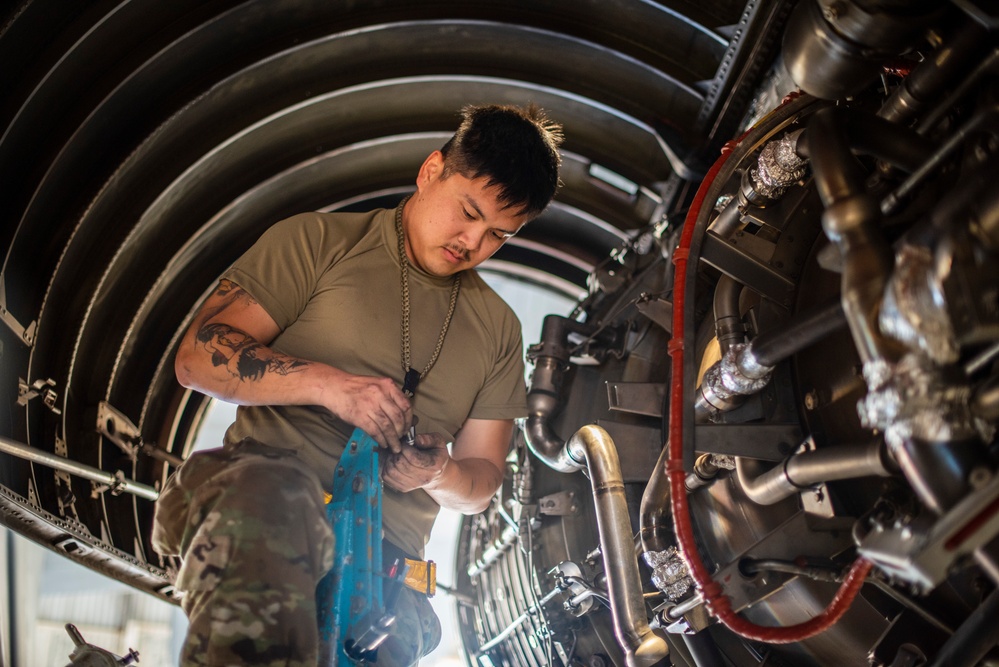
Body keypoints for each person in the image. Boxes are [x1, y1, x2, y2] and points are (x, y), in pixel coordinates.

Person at [151, 103, 564, 667]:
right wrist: (328, 386)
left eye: (498, 235)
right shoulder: (316, 243)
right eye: (467, 212)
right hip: (260, 510)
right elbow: (198, 357)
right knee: (275, 508)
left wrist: (438, 473)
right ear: (430, 171)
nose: (472, 242)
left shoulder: (498, 330)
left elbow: (482, 484)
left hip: (385, 578)